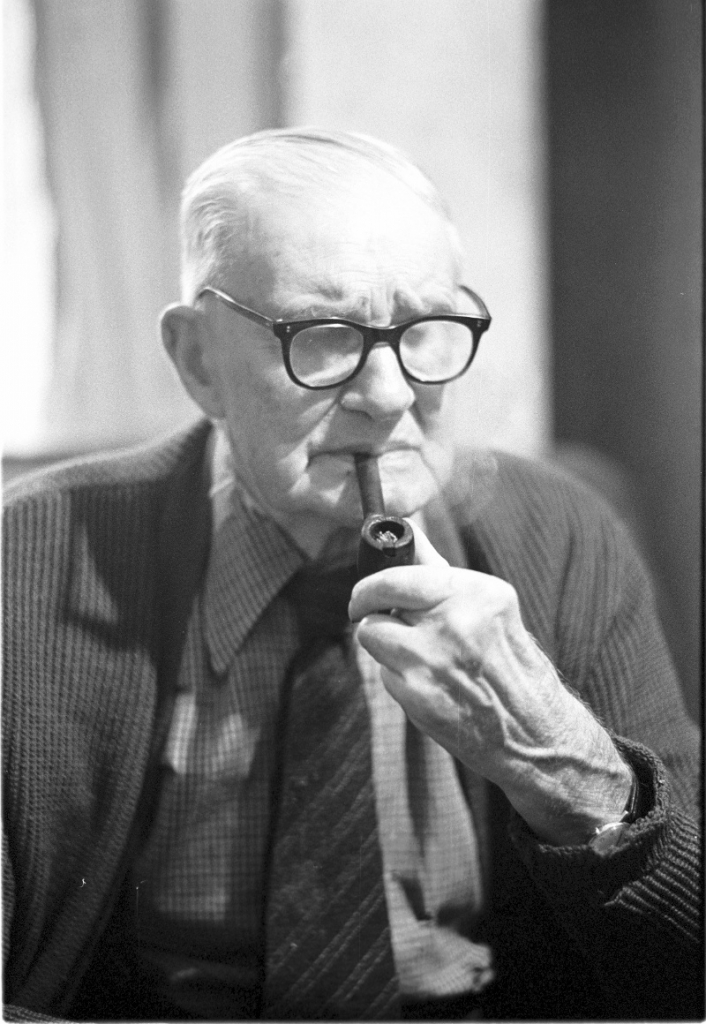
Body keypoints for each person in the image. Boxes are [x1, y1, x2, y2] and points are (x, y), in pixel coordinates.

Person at [3, 128, 701, 1023]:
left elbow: (689, 964)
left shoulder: (565, 537)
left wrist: (567, 764)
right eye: (324, 336)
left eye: (426, 328)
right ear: (198, 361)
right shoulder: (30, 557)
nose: (390, 394)